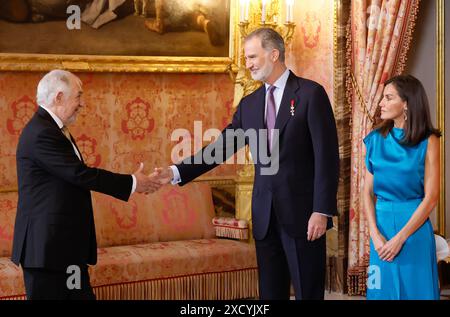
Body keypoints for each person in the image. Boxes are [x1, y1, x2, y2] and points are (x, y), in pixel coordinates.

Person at [154, 28, 340, 300]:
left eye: (252, 56)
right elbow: (220, 148)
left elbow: (327, 157)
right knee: (269, 293)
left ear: (274, 54)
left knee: (308, 292)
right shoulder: (250, 104)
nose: (248, 64)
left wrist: (321, 210)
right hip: (265, 216)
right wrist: (176, 171)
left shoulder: (311, 94)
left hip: (304, 215)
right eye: (246, 58)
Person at [11, 70, 161, 300]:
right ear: (59, 97)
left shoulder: (52, 129)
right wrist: (132, 182)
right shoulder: (42, 133)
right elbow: (80, 174)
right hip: (47, 250)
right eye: (78, 96)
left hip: (64, 248)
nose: (82, 103)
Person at [363, 75, 441, 300]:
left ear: (406, 103)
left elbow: (432, 197)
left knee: (416, 293)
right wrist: (374, 234)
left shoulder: (429, 141)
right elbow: (366, 192)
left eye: (389, 98)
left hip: (414, 229)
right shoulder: (375, 139)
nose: (381, 103)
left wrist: (400, 239)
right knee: (380, 293)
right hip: (381, 229)